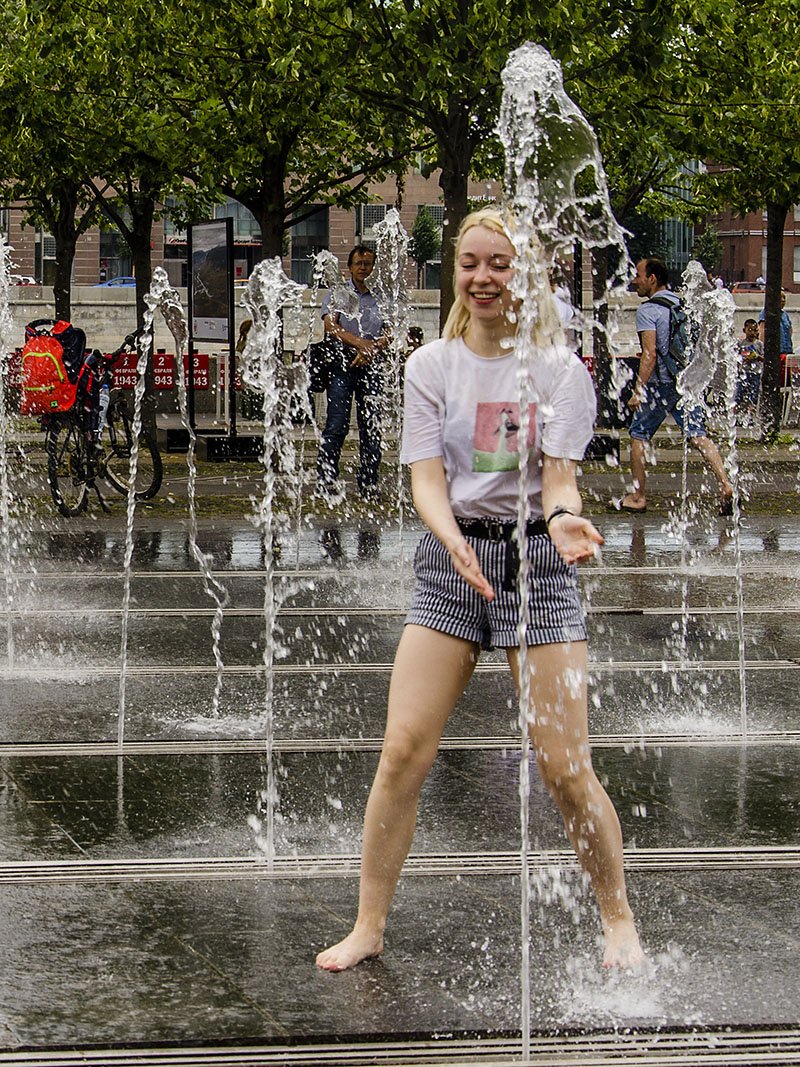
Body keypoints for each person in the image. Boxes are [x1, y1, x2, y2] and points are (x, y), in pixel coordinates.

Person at [315, 208, 644, 974]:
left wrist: (565, 521)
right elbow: (426, 479)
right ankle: (368, 923)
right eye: (470, 262)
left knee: (565, 768)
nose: (484, 277)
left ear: (523, 272)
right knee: (402, 751)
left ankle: (618, 916)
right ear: (454, 271)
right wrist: (453, 537)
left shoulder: (562, 370)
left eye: (500, 263)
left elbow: (559, 480)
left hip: (539, 567)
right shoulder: (431, 366)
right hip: (451, 565)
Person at [619, 257, 734, 516]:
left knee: (638, 435)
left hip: (661, 384)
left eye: (638, 275)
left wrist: (638, 390)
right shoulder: (681, 303)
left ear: (652, 278)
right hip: (686, 381)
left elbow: (650, 355)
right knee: (697, 435)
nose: (634, 280)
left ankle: (637, 496)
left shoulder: (648, 310)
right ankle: (726, 484)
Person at [317, 246, 390, 504]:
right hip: (342, 364)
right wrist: (359, 344)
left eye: (368, 263)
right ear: (350, 266)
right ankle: (326, 482)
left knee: (371, 427)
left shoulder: (380, 297)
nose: (363, 268)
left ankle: (369, 483)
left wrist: (370, 349)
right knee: (337, 425)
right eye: (359, 263)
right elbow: (330, 326)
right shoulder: (339, 294)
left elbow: (389, 332)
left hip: (370, 366)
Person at [736, 318, 764, 422]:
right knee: (739, 395)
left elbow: (763, 358)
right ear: (744, 330)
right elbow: (736, 357)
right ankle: (737, 417)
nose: (752, 333)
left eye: (755, 330)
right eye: (750, 330)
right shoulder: (741, 343)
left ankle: (750, 417)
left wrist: (756, 357)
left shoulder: (759, 344)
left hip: (755, 373)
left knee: (753, 395)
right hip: (744, 372)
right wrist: (742, 359)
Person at [758, 289, 793, 356]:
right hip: (774, 352)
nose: (783, 300)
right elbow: (762, 331)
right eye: (780, 298)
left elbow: (790, 330)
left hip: (787, 350)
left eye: (784, 298)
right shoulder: (766, 312)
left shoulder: (785, 314)